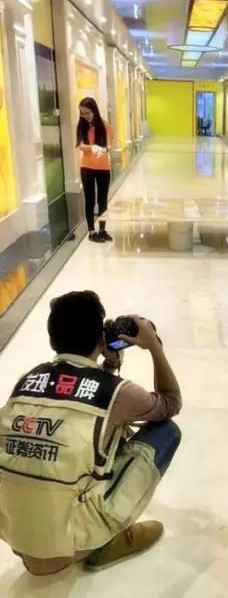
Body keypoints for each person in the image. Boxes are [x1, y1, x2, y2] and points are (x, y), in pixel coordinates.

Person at [0, 291, 182, 575]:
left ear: (52, 340)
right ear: (101, 338)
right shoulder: (118, 392)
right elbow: (171, 402)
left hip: (13, 533)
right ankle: (105, 541)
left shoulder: (28, 380)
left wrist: (109, 365)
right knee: (166, 432)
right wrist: (154, 347)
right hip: (68, 542)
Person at [77, 98, 114, 243]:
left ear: (94, 110)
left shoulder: (105, 125)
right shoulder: (81, 126)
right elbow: (80, 145)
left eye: (88, 113)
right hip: (87, 168)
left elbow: (109, 144)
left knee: (102, 200)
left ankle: (102, 230)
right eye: (83, 113)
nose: (86, 116)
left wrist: (104, 149)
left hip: (103, 167)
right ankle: (91, 231)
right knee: (90, 199)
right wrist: (92, 147)